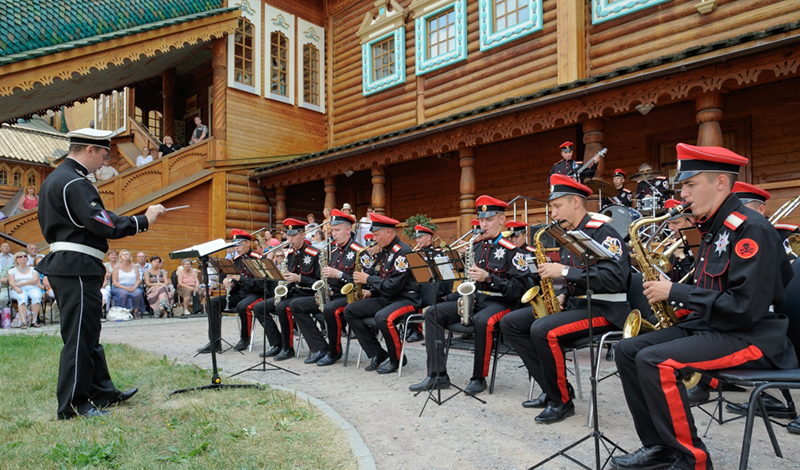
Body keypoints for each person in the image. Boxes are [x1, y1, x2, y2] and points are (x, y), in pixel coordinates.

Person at [611, 143, 797, 470]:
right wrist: (680, 306)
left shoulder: (749, 228)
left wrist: (676, 292)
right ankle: (659, 447)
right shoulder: (714, 228)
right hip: (714, 325)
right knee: (627, 350)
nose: (682, 193)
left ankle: (692, 460)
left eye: (689, 184)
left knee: (655, 360)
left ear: (720, 183)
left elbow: (746, 309)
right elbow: (713, 290)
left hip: (750, 336)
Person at [36, 128, 165, 420]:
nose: (106, 163)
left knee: (88, 333)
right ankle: (74, 405)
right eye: (104, 156)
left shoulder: (58, 178)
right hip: (77, 266)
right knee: (80, 336)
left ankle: (102, 392)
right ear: (89, 150)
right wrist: (144, 220)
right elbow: (103, 224)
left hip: (74, 264)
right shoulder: (74, 181)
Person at [527, 175, 631, 423]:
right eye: (552, 208)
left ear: (576, 202)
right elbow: (579, 279)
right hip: (578, 305)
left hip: (606, 310)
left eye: (557, 206)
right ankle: (550, 386)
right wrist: (562, 293)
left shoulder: (603, 231)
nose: (552, 213)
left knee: (543, 331)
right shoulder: (569, 233)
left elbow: (614, 279)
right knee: (513, 324)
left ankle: (561, 402)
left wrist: (562, 272)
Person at [409, 196, 528, 394]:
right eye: (481, 220)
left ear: (501, 220)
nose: (483, 224)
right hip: (477, 298)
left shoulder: (514, 252)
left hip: (501, 301)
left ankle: (479, 378)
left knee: (483, 320)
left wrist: (489, 278)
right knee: (433, 312)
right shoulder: (477, 247)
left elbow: (519, 290)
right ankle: (437, 375)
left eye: (489, 220)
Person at [344, 212, 421, 374]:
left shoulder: (402, 252)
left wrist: (368, 280)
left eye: (376, 235)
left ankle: (397, 358)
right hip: (387, 298)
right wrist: (371, 292)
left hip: (406, 299)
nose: (374, 238)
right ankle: (377, 353)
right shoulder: (386, 250)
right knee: (350, 311)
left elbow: (394, 286)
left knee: (383, 317)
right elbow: (383, 280)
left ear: (388, 232)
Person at [289, 209, 365, 365]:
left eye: (337, 230)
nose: (334, 234)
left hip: (349, 297)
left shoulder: (360, 252)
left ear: (348, 229)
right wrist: (327, 287)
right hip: (333, 294)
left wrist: (339, 275)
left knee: (330, 309)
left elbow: (363, 282)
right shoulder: (335, 251)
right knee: (296, 305)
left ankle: (334, 352)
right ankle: (320, 348)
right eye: (332, 231)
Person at [251, 218, 321, 361]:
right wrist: (284, 283)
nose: (290, 239)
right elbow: (289, 279)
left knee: (282, 307)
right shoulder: (290, 254)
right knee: (259, 307)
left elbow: (320, 282)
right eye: (288, 236)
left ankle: (287, 348)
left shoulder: (315, 254)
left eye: (293, 235)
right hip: (293, 293)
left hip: (309, 294)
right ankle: (277, 344)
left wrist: (300, 279)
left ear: (303, 234)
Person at [197, 229, 265, 354]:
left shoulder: (258, 258)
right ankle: (215, 342)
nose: (236, 248)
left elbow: (261, 285)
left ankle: (245, 339)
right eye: (235, 245)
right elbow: (223, 274)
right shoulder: (235, 260)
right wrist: (225, 281)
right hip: (239, 294)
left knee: (243, 306)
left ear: (248, 243)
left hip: (255, 294)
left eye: (239, 245)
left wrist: (240, 278)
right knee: (213, 302)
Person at [733, 181, 800, 260]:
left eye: (741, 206)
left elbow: (793, 265)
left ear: (761, 210)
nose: (734, 211)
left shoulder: (784, 233)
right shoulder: (724, 233)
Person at [8, 251, 43, 328]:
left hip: (33, 287)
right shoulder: (12, 271)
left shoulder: (33, 269)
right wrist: (17, 288)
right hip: (18, 289)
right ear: (16, 260)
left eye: (24, 256)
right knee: (22, 298)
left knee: (36, 296)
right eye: (20, 257)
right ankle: (23, 322)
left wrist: (21, 283)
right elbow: (11, 283)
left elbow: (35, 280)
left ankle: (33, 321)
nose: (23, 258)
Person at [111, 249, 147, 318]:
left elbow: (138, 280)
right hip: (120, 287)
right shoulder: (116, 267)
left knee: (138, 293)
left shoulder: (135, 266)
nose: (125, 256)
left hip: (133, 286)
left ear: (130, 256)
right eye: (123, 254)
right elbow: (114, 282)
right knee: (123, 293)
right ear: (120, 257)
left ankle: (135, 311)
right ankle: (122, 311)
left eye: (127, 254)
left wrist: (134, 287)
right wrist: (125, 288)